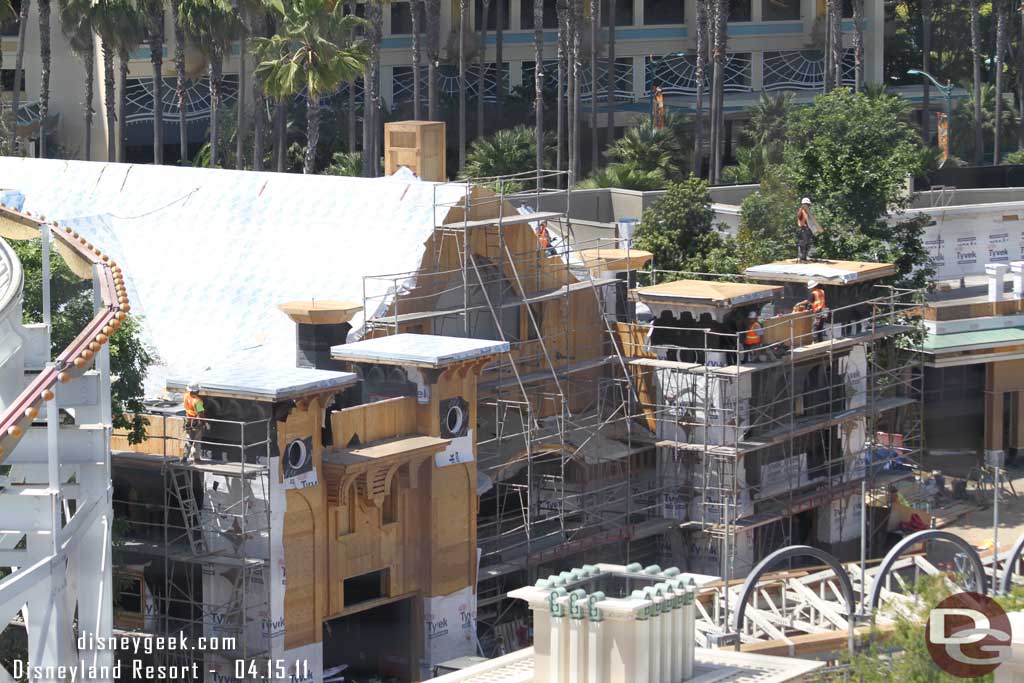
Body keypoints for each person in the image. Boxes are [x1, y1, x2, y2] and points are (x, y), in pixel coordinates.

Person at [183, 382, 206, 462]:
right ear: (196, 391)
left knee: (189, 440)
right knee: (197, 441)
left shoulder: (186, 396)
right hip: (196, 422)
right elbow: (200, 414)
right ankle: (196, 459)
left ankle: (184, 457)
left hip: (188, 420)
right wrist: (203, 423)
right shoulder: (198, 401)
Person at [796, 197, 814, 262]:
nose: (809, 206)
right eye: (807, 205)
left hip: (808, 230)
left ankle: (804, 258)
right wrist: (801, 209)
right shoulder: (801, 211)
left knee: (808, 243)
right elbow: (798, 216)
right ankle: (801, 258)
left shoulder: (808, 213)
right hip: (803, 229)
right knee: (802, 244)